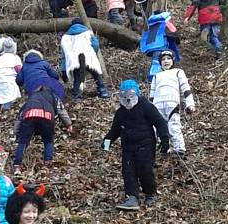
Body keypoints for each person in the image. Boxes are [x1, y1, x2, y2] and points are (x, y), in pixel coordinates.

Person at [103, 80, 170, 210]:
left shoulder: (146, 106)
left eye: (130, 95)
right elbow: (115, 130)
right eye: (124, 95)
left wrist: (164, 138)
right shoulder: (120, 113)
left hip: (146, 145)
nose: (127, 98)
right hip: (128, 147)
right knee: (128, 172)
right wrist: (107, 141)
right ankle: (131, 197)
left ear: (137, 94)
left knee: (145, 170)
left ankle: (150, 194)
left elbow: (159, 122)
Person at [12, 84, 73, 176]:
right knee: (48, 141)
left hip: (29, 116)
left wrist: (17, 133)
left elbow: (20, 117)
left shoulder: (31, 99)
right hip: (47, 116)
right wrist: (68, 125)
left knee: (23, 142)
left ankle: (17, 165)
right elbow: (61, 111)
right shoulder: (53, 96)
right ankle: (47, 164)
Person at [149, 50, 195, 157]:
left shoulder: (178, 72)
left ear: (173, 60)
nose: (166, 61)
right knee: (159, 127)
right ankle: (164, 147)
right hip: (157, 104)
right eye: (163, 59)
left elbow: (185, 88)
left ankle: (179, 148)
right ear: (160, 62)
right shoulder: (157, 76)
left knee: (174, 124)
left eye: (168, 59)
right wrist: (150, 109)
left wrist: (190, 103)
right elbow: (152, 93)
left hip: (172, 103)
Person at [60, 18, 110, 101]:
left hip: (74, 61)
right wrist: (93, 53)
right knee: (96, 74)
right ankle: (103, 91)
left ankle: (76, 95)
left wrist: (63, 69)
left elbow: (63, 55)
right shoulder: (88, 33)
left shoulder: (65, 37)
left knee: (77, 77)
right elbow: (95, 45)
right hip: (89, 57)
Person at [0, 36, 22, 113]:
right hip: (10, 81)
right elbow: (19, 70)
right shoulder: (15, 58)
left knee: (0, 95)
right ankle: (6, 107)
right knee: (10, 95)